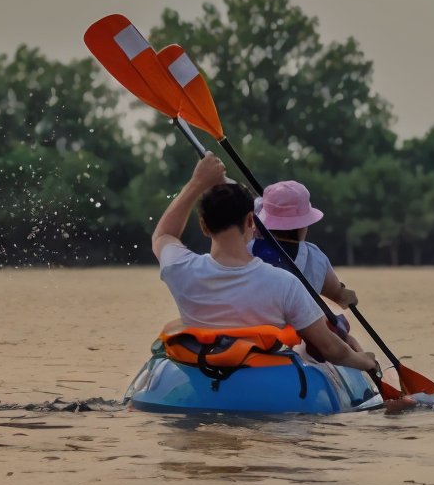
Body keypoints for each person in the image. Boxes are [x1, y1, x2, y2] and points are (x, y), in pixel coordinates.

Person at [150, 154, 380, 376]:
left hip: (198, 371)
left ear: (203, 226)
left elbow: (163, 235)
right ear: (251, 220)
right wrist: (364, 361)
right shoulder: (285, 284)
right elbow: (332, 349)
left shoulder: (180, 268)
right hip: (264, 377)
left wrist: (197, 182)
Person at [251, 179, 363, 351]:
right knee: (349, 340)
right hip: (300, 340)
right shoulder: (314, 256)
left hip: (252, 338)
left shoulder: (245, 250)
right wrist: (344, 294)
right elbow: (336, 293)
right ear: (303, 225)